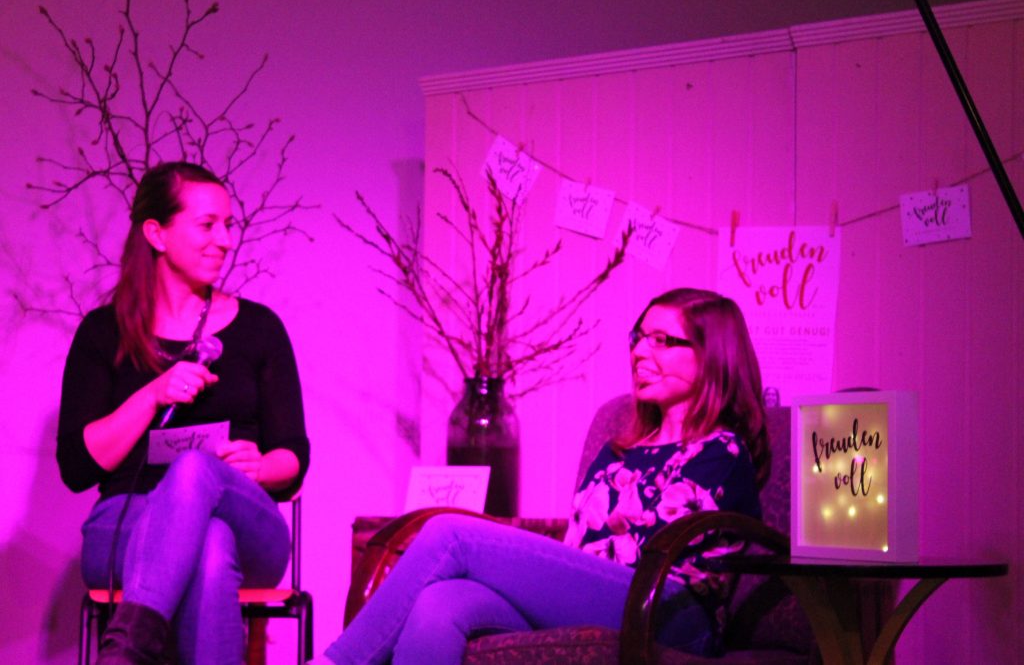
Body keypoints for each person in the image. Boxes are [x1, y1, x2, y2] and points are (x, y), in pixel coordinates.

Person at [315, 287, 769, 664]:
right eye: (638, 337)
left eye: (661, 340)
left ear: (712, 356)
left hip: (669, 613)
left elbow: (643, 553)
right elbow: (579, 547)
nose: (638, 351)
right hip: (598, 599)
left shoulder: (722, 452)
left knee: (449, 534)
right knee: (441, 604)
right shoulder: (618, 451)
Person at [57, 161, 310, 665]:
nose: (225, 241)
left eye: (228, 225)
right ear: (156, 233)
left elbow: (294, 457)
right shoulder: (102, 333)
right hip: (125, 524)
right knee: (210, 547)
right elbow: (79, 467)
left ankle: (128, 645)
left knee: (196, 470)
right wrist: (151, 395)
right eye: (207, 225)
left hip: (247, 525)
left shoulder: (260, 329)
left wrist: (260, 466)